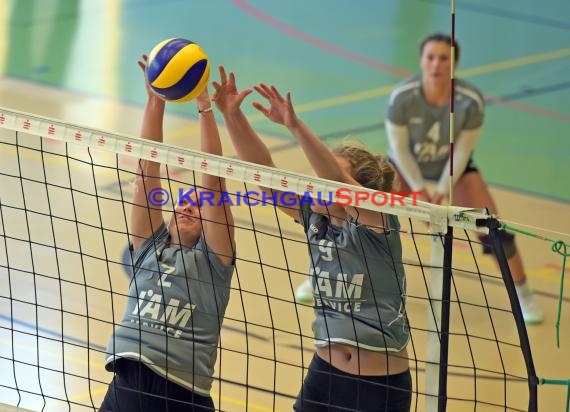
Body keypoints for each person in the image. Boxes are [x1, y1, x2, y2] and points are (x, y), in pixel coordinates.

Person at [212, 66, 412, 411]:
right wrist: (233, 116)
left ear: (356, 188)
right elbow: (265, 173)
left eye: (329, 179)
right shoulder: (316, 219)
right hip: (323, 376)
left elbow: (332, 175)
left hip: (378, 389)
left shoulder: (377, 221)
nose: (318, 182)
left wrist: (294, 125)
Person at [100, 56, 236, 411]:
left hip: (180, 396)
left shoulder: (213, 264)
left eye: (198, 206)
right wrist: (154, 101)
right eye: (182, 203)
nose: (189, 206)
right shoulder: (146, 249)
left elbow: (213, 181)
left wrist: (205, 108)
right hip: (126, 385)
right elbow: (148, 168)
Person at [382, 32, 543, 324]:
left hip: (453, 170)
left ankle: (523, 294)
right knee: (363, 209)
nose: (436, 65)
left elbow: (463, 152)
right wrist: (419, 192)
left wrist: (441, 192)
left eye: (444, 58)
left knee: (494, 231)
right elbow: (399, 149)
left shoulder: (469, 102)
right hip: (406, 168)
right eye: (430, 57)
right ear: (421, 60)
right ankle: (334, 277)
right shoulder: (402, 98)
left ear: (454, 64)